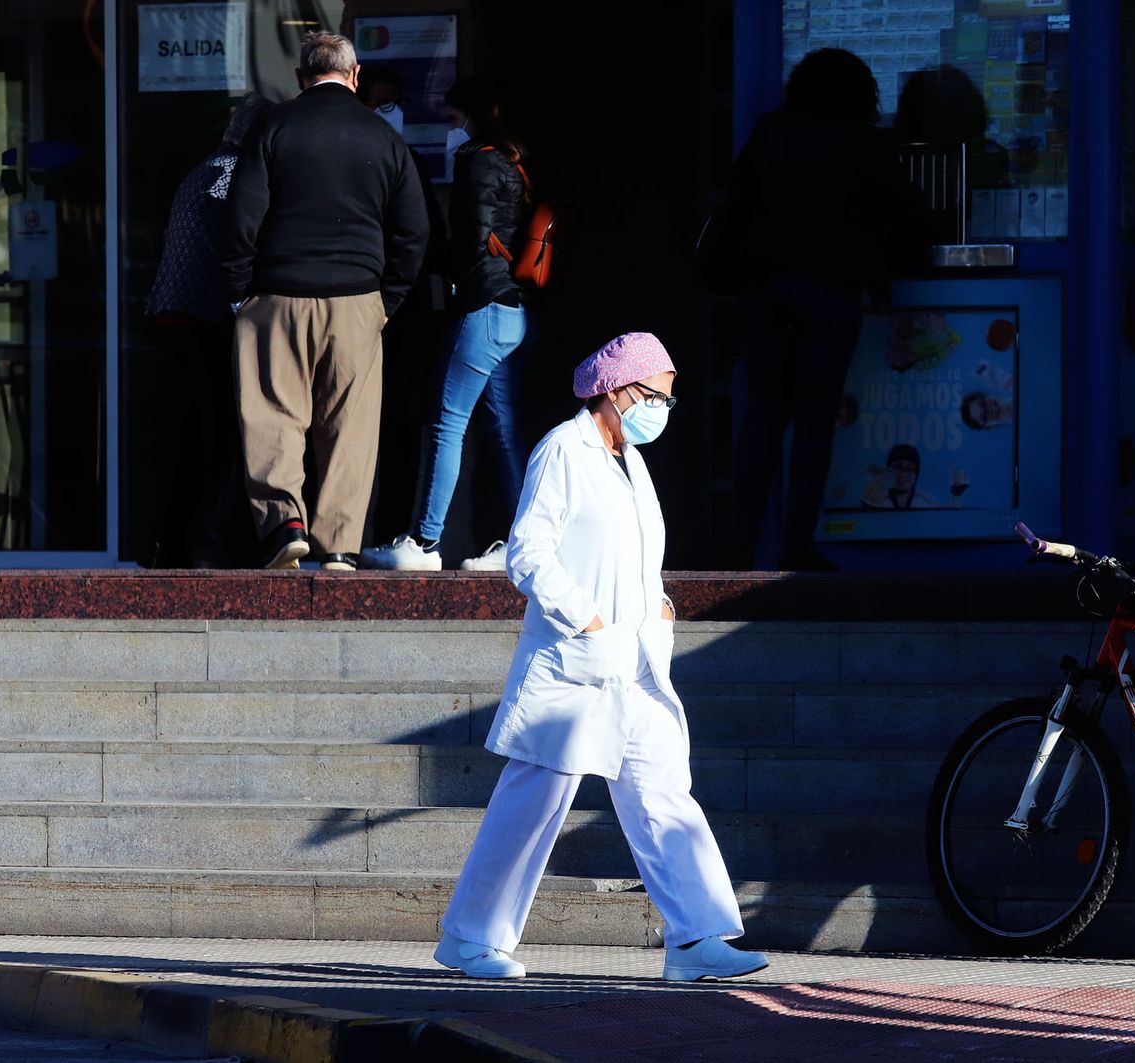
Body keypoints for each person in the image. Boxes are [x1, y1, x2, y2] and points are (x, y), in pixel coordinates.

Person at [435, 333, 767, 983]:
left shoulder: (630, 462)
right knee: (533, 802)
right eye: (657, 396)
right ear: (617, 390)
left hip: (635, 662)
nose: (663, 410)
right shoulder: (564, 449)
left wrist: (659, 605)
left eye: (669, 399)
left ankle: (697, 938)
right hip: (576, 663)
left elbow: (634, 554)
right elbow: (529, 552)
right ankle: (469, 938)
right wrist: (586, 619)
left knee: (663, 793)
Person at [217, 31, 429, 570]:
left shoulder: (273, 128)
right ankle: (338, 545)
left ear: (300, 77)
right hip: (357, 299)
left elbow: (240, 218)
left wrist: (240, 294)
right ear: (355, 76)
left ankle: (284, 524)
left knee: (272, 414)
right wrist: (388, 300)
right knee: (350, 426)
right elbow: (414, 230)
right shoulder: (383, 138)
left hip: (277, 296)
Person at [727, 48, 906, 571]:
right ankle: (797, 546)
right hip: (831, 292)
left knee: (763, 417)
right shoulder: (865, 142)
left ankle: (740, 548)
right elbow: (893, 219)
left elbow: (738, 204)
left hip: (766, 291)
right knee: (813, 425)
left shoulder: (772, 132)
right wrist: (880, 284)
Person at [364, 79, 531, 573]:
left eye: (453, 120)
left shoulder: (478, 162)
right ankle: (524, 544)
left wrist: (448, 274)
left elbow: (472, 241)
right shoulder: (512, 164)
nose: (449, 130)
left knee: (447, 422)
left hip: (482, 308)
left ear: (473, 119)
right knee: (504, 433)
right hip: (510, 310)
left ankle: (424, 542)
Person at [145, 94, 269, 568]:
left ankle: (170, 541)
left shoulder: (202, 170)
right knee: (214, 437)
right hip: (206, 318)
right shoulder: (236, 175)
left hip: (171, 315)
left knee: (181, 437)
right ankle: (208, 543)